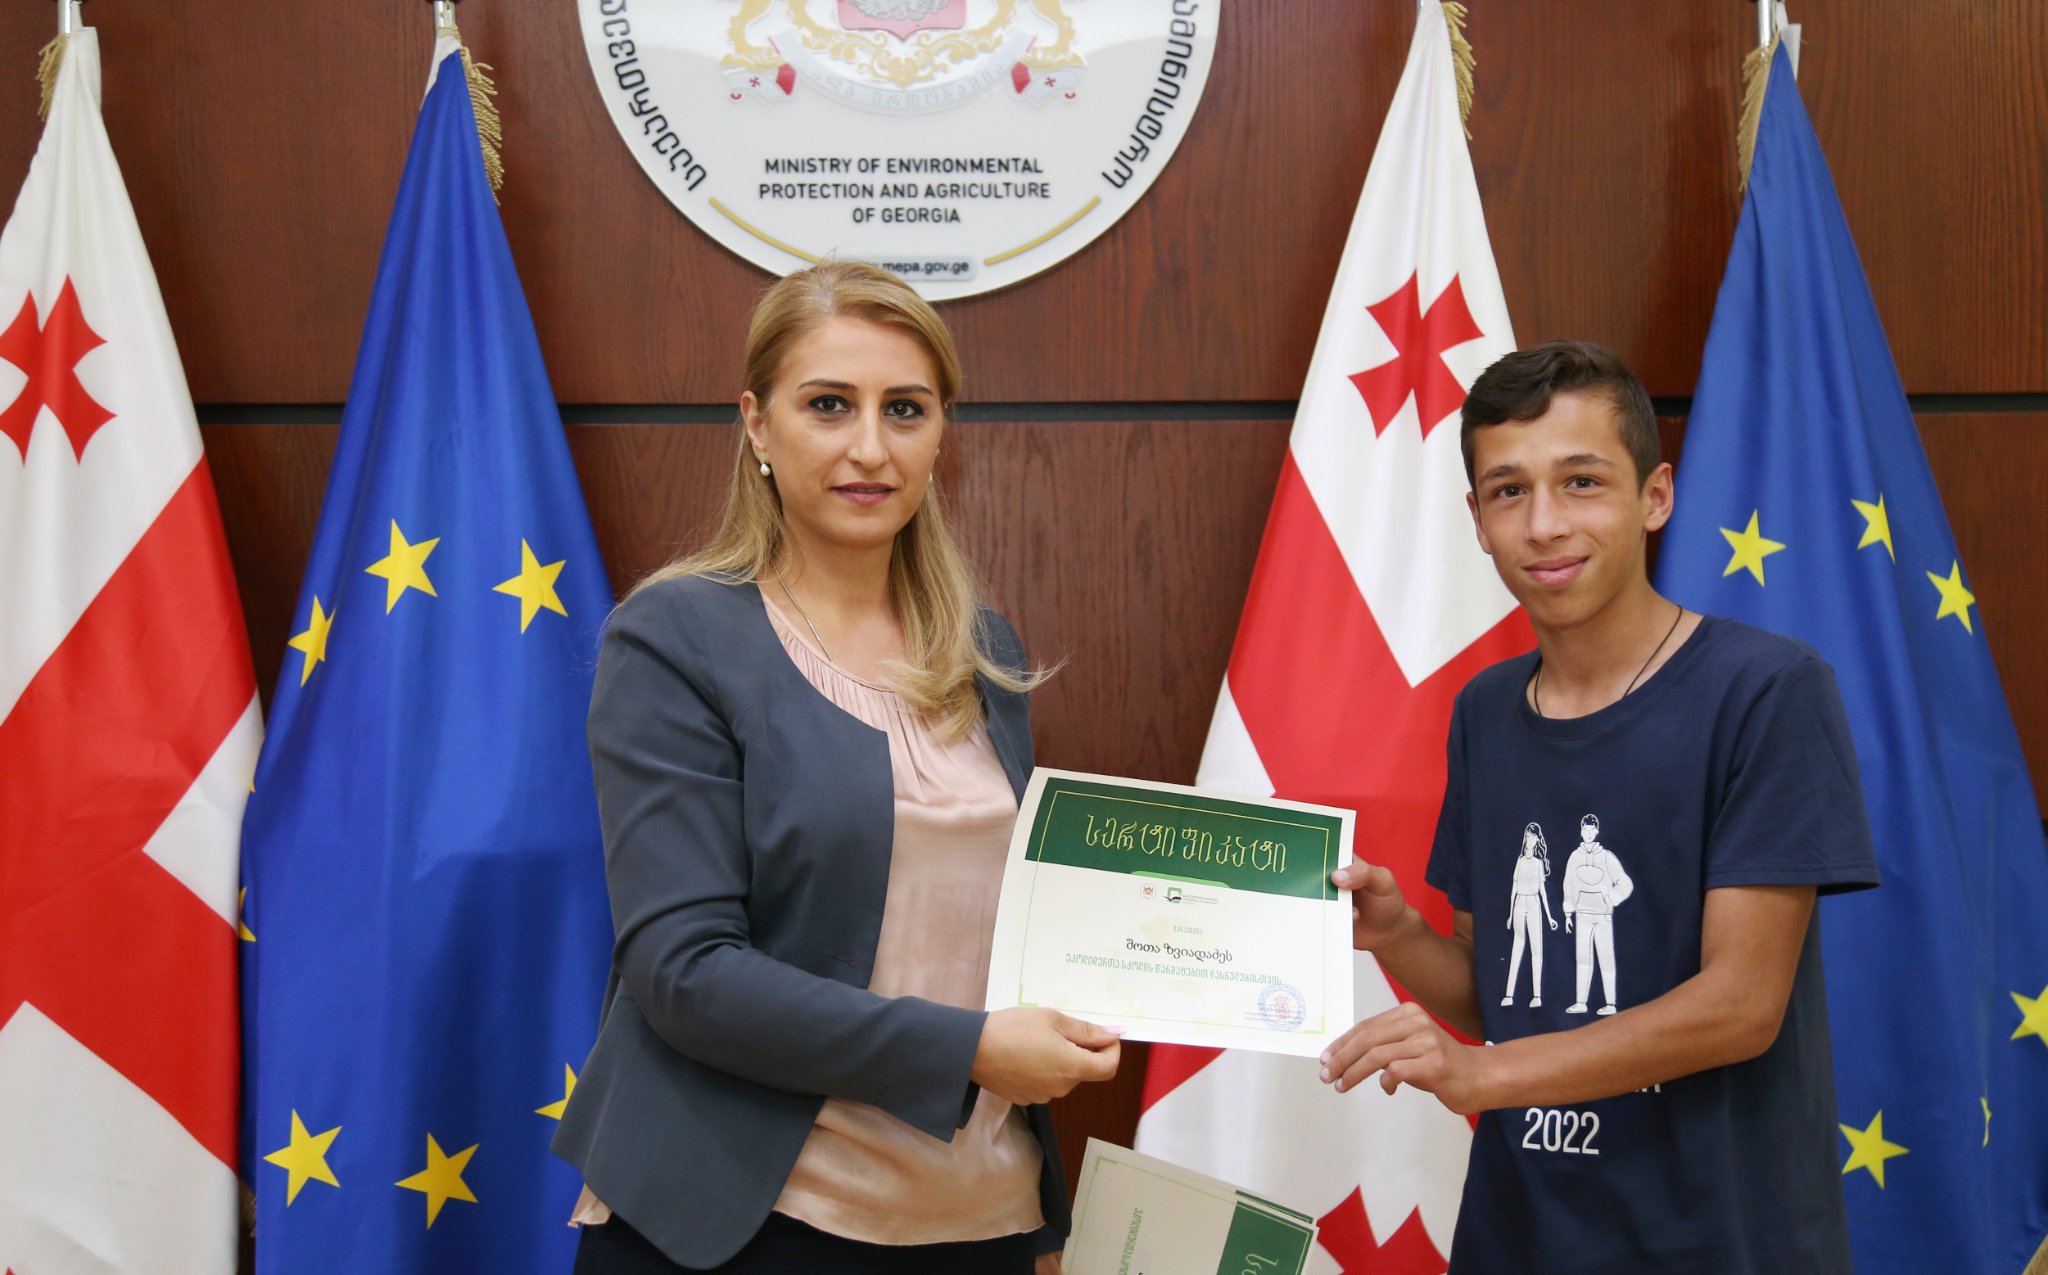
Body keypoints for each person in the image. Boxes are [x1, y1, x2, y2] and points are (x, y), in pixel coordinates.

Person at [553, 261, 1121, 1274]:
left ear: (940, 433)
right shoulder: (675, 637)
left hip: (980, 1213)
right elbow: (683, 971)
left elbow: (990, 926)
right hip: (751, 1224)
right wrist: (967, 1051)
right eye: (828, 405)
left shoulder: (981, 649)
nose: (869, 447)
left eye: (904, 409)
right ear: (757, 425)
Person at [1318, 341, 1880, 1273]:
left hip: (1718, 1243)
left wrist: (1484, 1075)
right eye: (1509, 490)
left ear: (1654, 496)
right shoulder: (1486, 711)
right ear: (1477, 519)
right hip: (1520, 1234)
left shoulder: (1766, 690)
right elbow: (1503, 994)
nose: (1544, 523)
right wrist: (1400, 935)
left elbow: (1741, 1005)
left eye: (1581, 482)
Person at [1502, 821, 1557, 1008]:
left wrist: (1549, 917)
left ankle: (1537, 996)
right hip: (1520, 903)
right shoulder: (1519, 861)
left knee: (1536, 948)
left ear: (1537, 840)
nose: (1529, 840)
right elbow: (1514, 888)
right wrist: (1510, 915)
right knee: (1517, 947)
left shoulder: (1538, 863)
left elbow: (1543, 892)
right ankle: (1509, 994)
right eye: (1527, 837)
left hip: (1534, 903)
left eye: (1532, 837)